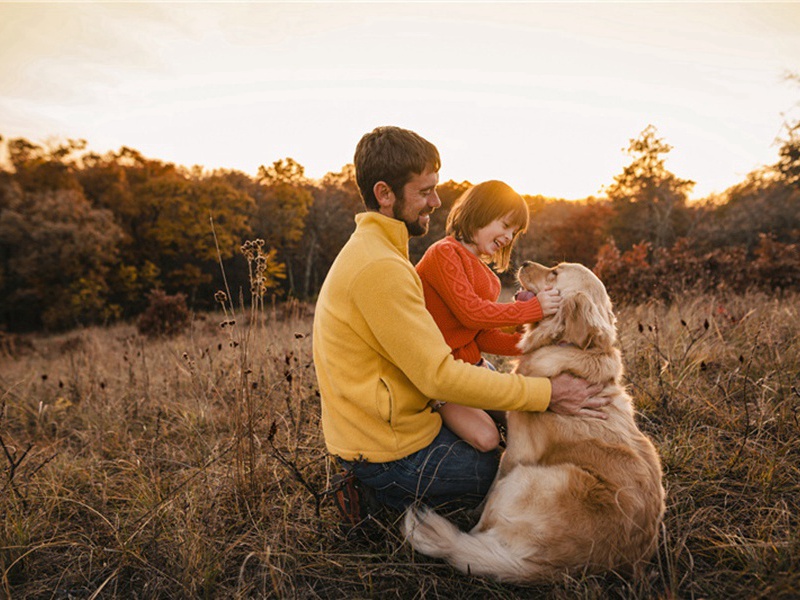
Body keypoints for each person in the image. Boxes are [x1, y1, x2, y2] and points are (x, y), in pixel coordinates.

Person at [312, 126, 608, 521]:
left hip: (403, 414)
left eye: (436, 188)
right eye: (424, 191)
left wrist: (542, 347)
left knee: (515, 440)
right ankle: (371, 498)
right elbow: (440, 375)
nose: (436, 201)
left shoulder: (382, 253)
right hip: (385, 448)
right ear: (384, 194)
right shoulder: (380, 267)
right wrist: (547, 391)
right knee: (497, 474)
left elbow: (471, 338)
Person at [415, 180, 561, 453]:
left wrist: (531, 340)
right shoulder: (444, 253)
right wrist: (532, 309)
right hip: (443, 380)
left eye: (514, 233)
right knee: (487, 439)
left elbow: (483, 336)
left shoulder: (489, 279)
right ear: (479, 212)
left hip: (477, 370)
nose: (508, 237)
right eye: (505, 225)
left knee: (528, 423)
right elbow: (471, 313)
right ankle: (432, 421)